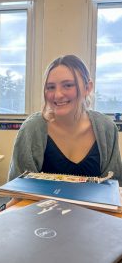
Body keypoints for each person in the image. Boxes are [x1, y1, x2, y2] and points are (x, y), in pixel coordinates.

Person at [8, 55, 122, 185]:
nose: (58, 95)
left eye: (68, 85)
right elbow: (17, 190)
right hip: (39, 206)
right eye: (51, 87)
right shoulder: (31, 129)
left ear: (87, 87)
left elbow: (114, 187)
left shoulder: (106, 128)